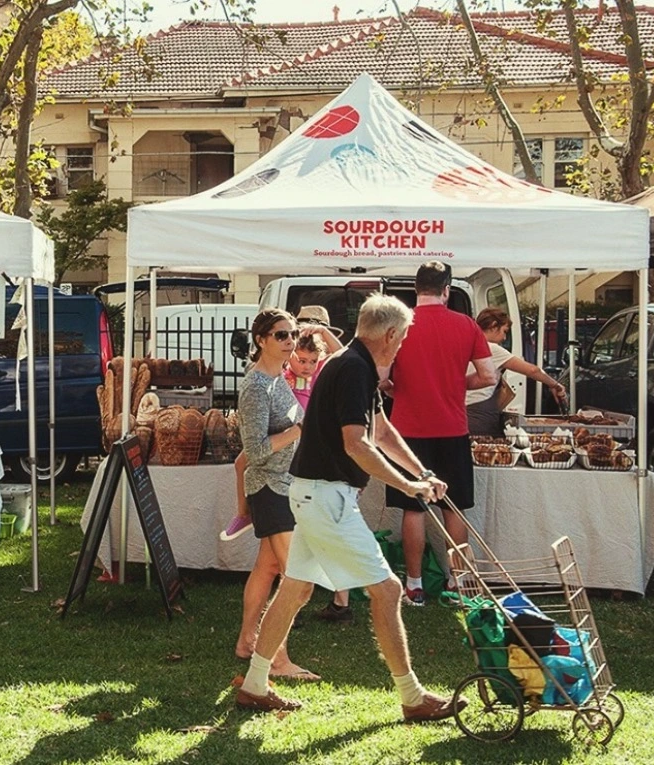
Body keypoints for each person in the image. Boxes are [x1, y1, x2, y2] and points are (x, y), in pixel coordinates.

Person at [234, 294, 468, 723]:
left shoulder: (351, 364)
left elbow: (381, 431)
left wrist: (422, 473)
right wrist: (406, 485)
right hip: (325, 496)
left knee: (295, 590)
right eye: (404, 338)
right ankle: (412, 697)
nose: (402, 346)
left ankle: (253, 685)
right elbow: (356, 442)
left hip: (313, 493)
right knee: (388, 590)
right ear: (391, 335)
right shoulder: (354, 368)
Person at [384, 261, 495, 607]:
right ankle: (458, 584)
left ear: (416, 289)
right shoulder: (466, 325)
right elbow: (489, 376)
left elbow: (381, 378)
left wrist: (399, 389)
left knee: (413, 509)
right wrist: (455, 384)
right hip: (452, 428)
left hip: (407, 433)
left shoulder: (398, 327)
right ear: (446, 290)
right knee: (454, 509)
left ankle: (414, 585)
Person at [232, 308, 319, 682]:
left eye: (293, 335)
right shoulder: (255, 387)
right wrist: (300, 430)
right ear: (261, 340)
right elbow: (254, 449)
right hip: (270, 487)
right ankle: (277, 660)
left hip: (283, 485)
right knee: (298, 581)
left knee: (267, 569)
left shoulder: (276, 378)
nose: (289, 342)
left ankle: (246, 641)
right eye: (281, 335)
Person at [466, 307, 567, 436]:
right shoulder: (491, 348)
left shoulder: (467, 343)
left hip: (464, 410)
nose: (504, 337)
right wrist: (555, 385)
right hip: (480, 414)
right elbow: (532, 370)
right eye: (504, 331)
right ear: (493, 326)